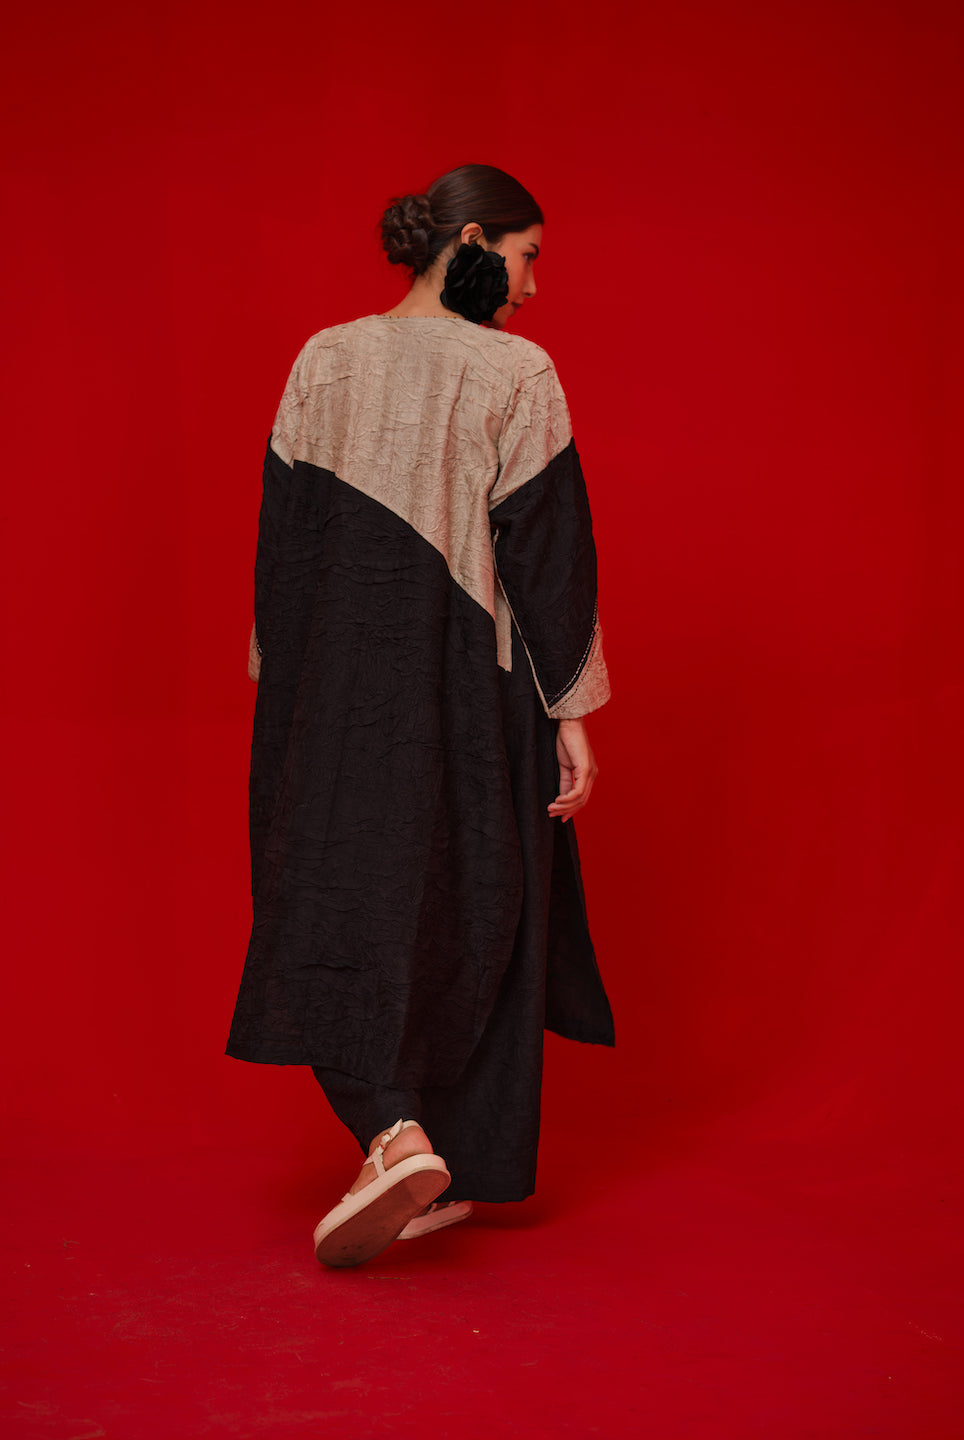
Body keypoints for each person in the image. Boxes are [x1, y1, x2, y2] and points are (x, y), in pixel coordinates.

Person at [227, 164, 614, 1267]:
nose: (533, 287)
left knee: (329, 893)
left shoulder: (323, 358)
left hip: (331, 691)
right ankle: (408, 1138)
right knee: (481, 898)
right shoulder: (515, 370)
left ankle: (395, 1134)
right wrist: (574, 709)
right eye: (528, 257)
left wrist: (284, 686)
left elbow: (282, 541)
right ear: (475, 241)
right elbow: (549, 554)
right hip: (471, 689)